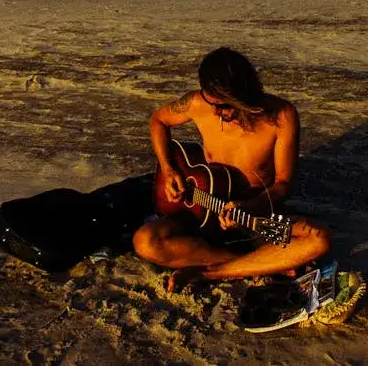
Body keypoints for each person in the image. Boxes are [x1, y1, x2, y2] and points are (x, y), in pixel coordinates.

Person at [133, 47, 330, 291]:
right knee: (145, 241)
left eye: (225, 106)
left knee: (318, 239)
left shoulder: (281, 116)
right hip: (200, 207)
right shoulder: (197, 103)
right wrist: (169, 168)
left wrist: (250, 206)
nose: (217, 112)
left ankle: (213, 271)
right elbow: (158, 120)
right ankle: (257, 263)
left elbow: (283, 184)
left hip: (253, 213)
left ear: (244, 96)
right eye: (211, 103)